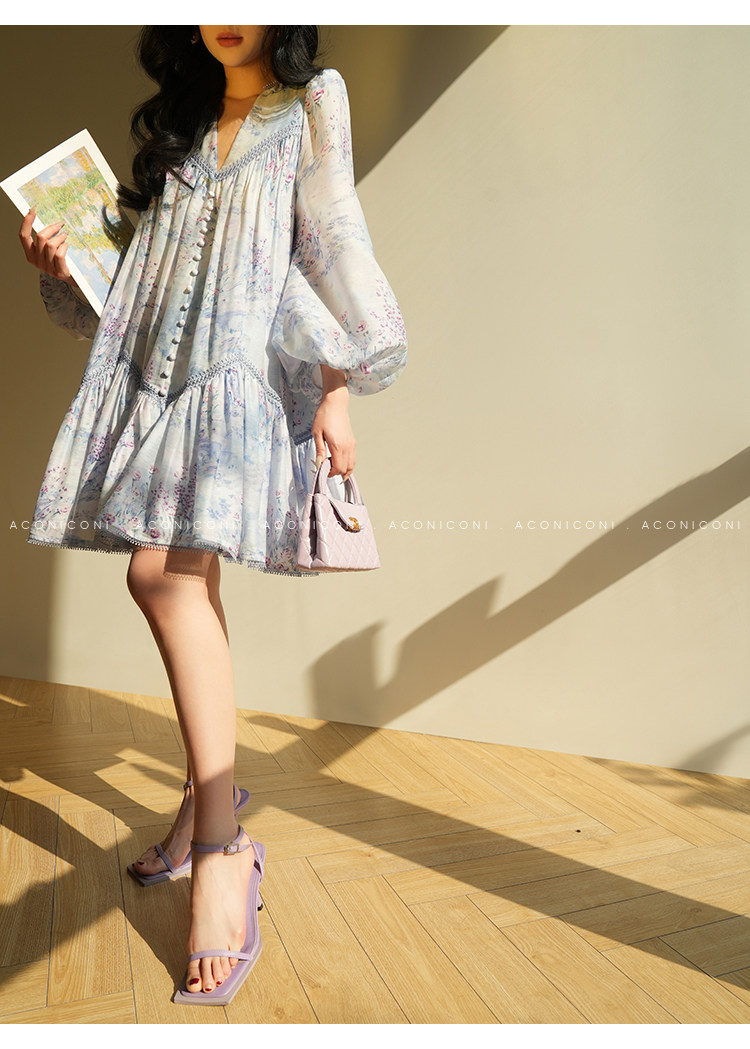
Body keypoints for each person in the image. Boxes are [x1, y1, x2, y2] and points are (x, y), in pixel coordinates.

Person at [18, 25, 407, 1005]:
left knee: (159, 574)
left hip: (236, 381)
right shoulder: (183, 124)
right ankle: (207, 800)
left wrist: (337, 389)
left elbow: (331, 240)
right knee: (188, 579)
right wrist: (63, 264)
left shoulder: (311, 100)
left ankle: (225, 850)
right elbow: (137, 282)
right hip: (159, 382)